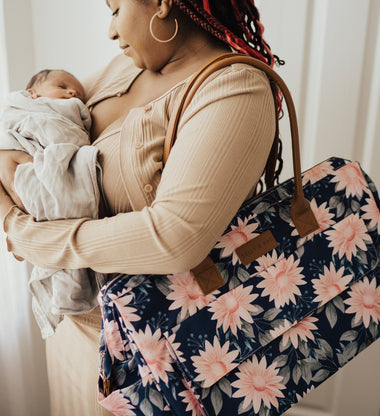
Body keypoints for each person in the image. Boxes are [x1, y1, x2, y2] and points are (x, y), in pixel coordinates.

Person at [0, 0, 280, 415]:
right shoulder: (125, 67)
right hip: (73, 328)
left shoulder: (234, 90)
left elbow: (174, 237)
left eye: (115, 9)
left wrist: (23, 231)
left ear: (163, 4)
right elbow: (31, 118)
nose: (111, 32)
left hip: (150, 357)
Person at [0, 69, 102, 339]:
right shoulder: (24, 107)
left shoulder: (71, 112)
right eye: (62, 86)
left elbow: (72, 138)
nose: (72, 93)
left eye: (76, 92)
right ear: (32, 94)